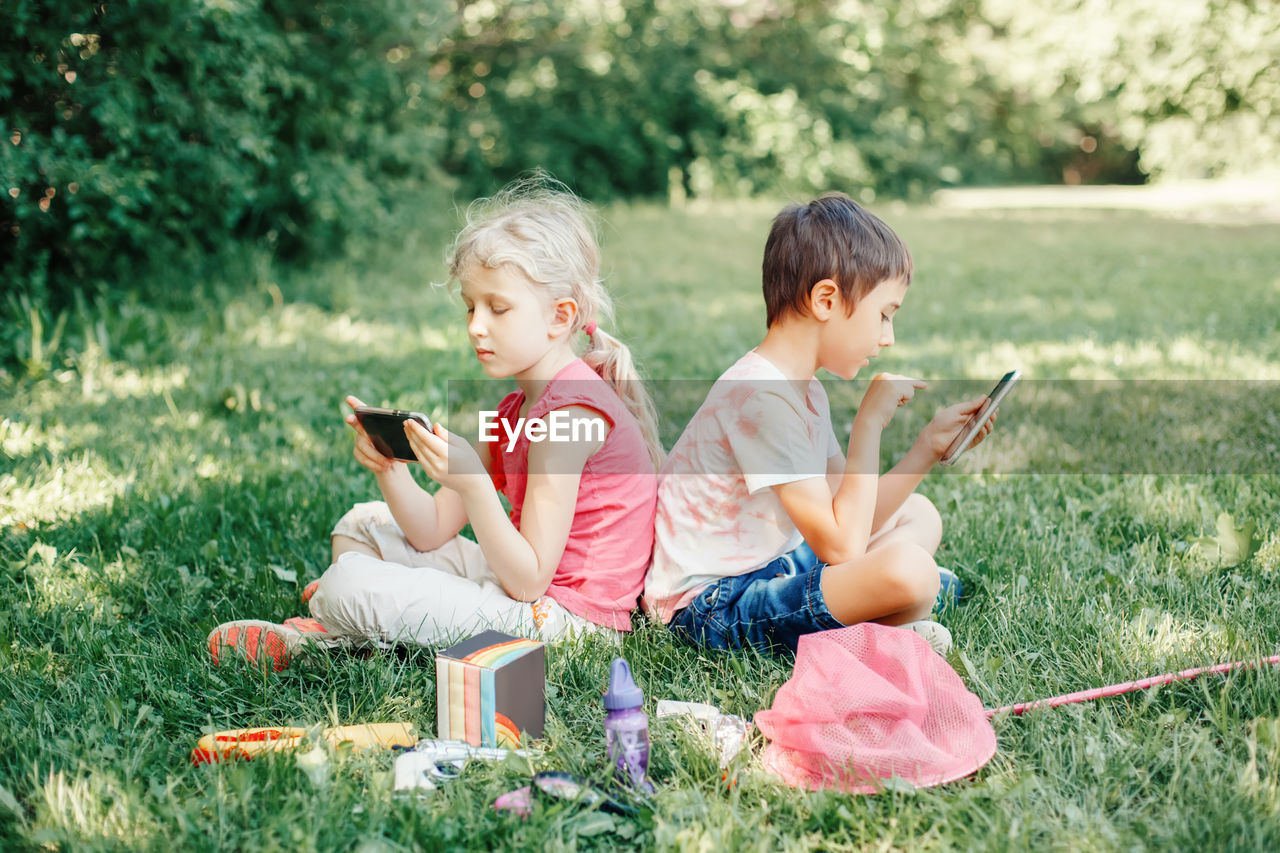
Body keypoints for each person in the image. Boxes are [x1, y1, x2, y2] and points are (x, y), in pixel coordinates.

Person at [208, 176, 662, 670]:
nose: (475, 326)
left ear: (560, 317)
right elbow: (430, 532)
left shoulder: (569, 417)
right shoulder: (514, 411)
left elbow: (530, 579)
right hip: (519, 590)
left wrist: (472, 483)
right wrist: (390, 468)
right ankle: (358, 620)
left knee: (347, 583)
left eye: (498, 308)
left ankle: (330, 639)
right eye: (470, 306)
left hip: (568, 626)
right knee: (360, 525)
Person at [643, 192, 994, 656]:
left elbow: (846, 517)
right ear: (826, 299)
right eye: (884, 315)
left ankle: (887, 612)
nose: (887, 338)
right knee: (912, 573)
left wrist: (925, 448)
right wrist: (869, 423)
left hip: (773, 564)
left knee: (920, 516)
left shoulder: (804, 391)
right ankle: (881, 628)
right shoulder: (759, 398)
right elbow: (842, 548)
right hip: (710, 606)